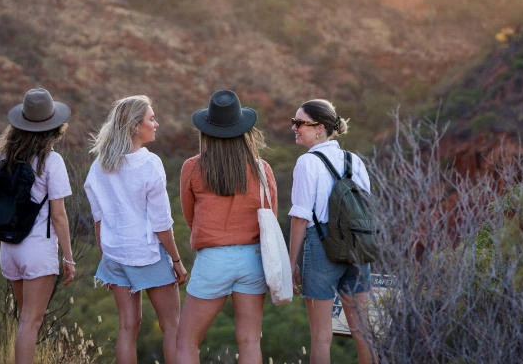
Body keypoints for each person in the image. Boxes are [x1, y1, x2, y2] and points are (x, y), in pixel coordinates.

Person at [84, 95, 187, 364]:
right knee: (172, 327)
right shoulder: (149, 164)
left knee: (127, 327)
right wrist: (176, 260)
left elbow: (99, 221)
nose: (156, 123)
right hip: (147, 254)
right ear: (134, 127)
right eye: (151, 119)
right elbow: (162, 223)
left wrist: (105, 257)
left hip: (115, 255)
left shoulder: (98, 166)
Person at [177, 89, 277, 364]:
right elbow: (270, 217)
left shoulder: (193, 167)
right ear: (244, 130)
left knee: (186, 341)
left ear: (207, 130)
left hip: (213, 259)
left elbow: (189, 215)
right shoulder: (261, 168)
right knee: (249, 340)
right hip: (253, 258)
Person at [287, 99, 378, 364]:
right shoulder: (354, 160)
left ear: (320, 128)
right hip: (358, 249)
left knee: (321, 337)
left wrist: (291, 263)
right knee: (363, 332)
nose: (294, 128)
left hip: (321, 248)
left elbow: (300, 218)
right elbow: (366, 206)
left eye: (299, 123)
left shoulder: (307, 163)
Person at [0, 87, 76, 364]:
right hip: (37, 251)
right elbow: (59, 215)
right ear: (54, 127)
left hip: (9, 249)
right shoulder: (51, 161)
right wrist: (69, 257)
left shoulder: (4, 159)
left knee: (25, 319)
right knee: (30, 323)